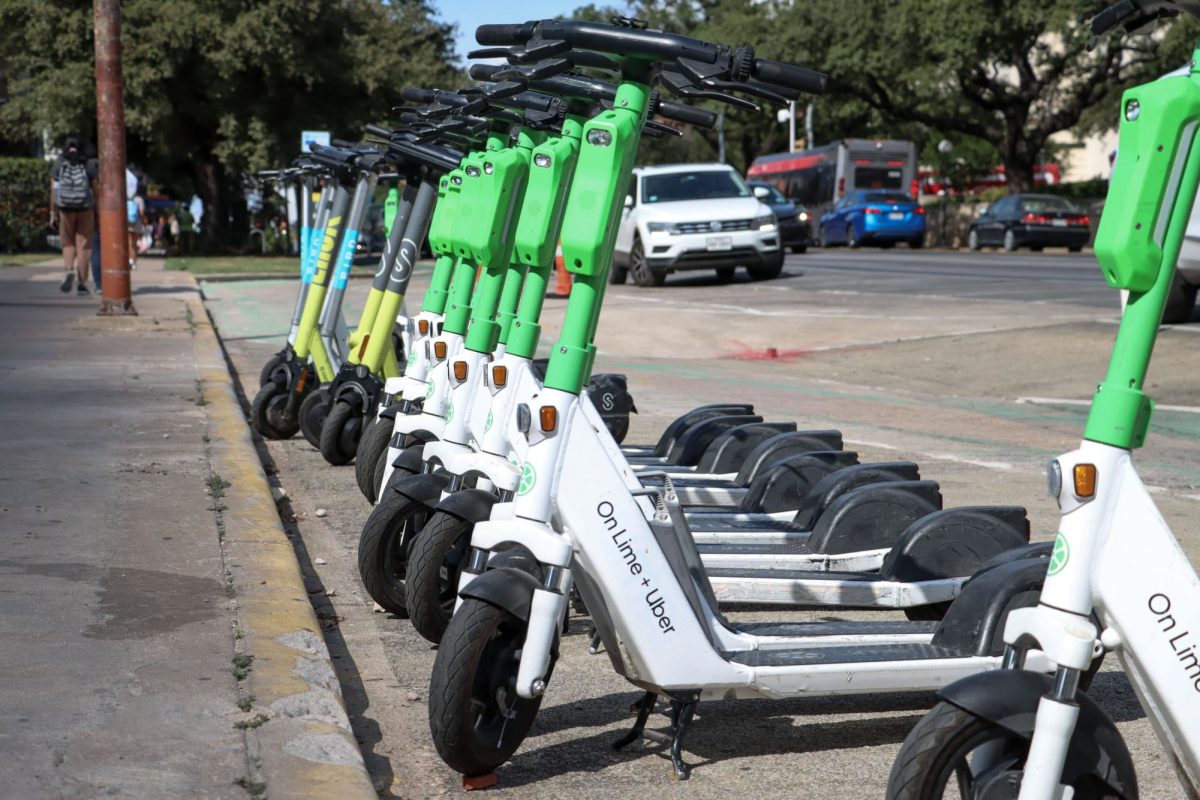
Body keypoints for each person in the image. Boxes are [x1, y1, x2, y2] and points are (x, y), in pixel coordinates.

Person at [50, 135, 98, 296]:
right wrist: (96, 208)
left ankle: (69, 270)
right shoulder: (88, 164)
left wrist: (53, 212)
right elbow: (95, 189)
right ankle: (82, 285)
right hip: (85, 208)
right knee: (84, 245)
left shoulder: (59, 163)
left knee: (67, 242)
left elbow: (54, 190)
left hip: (65, 207)